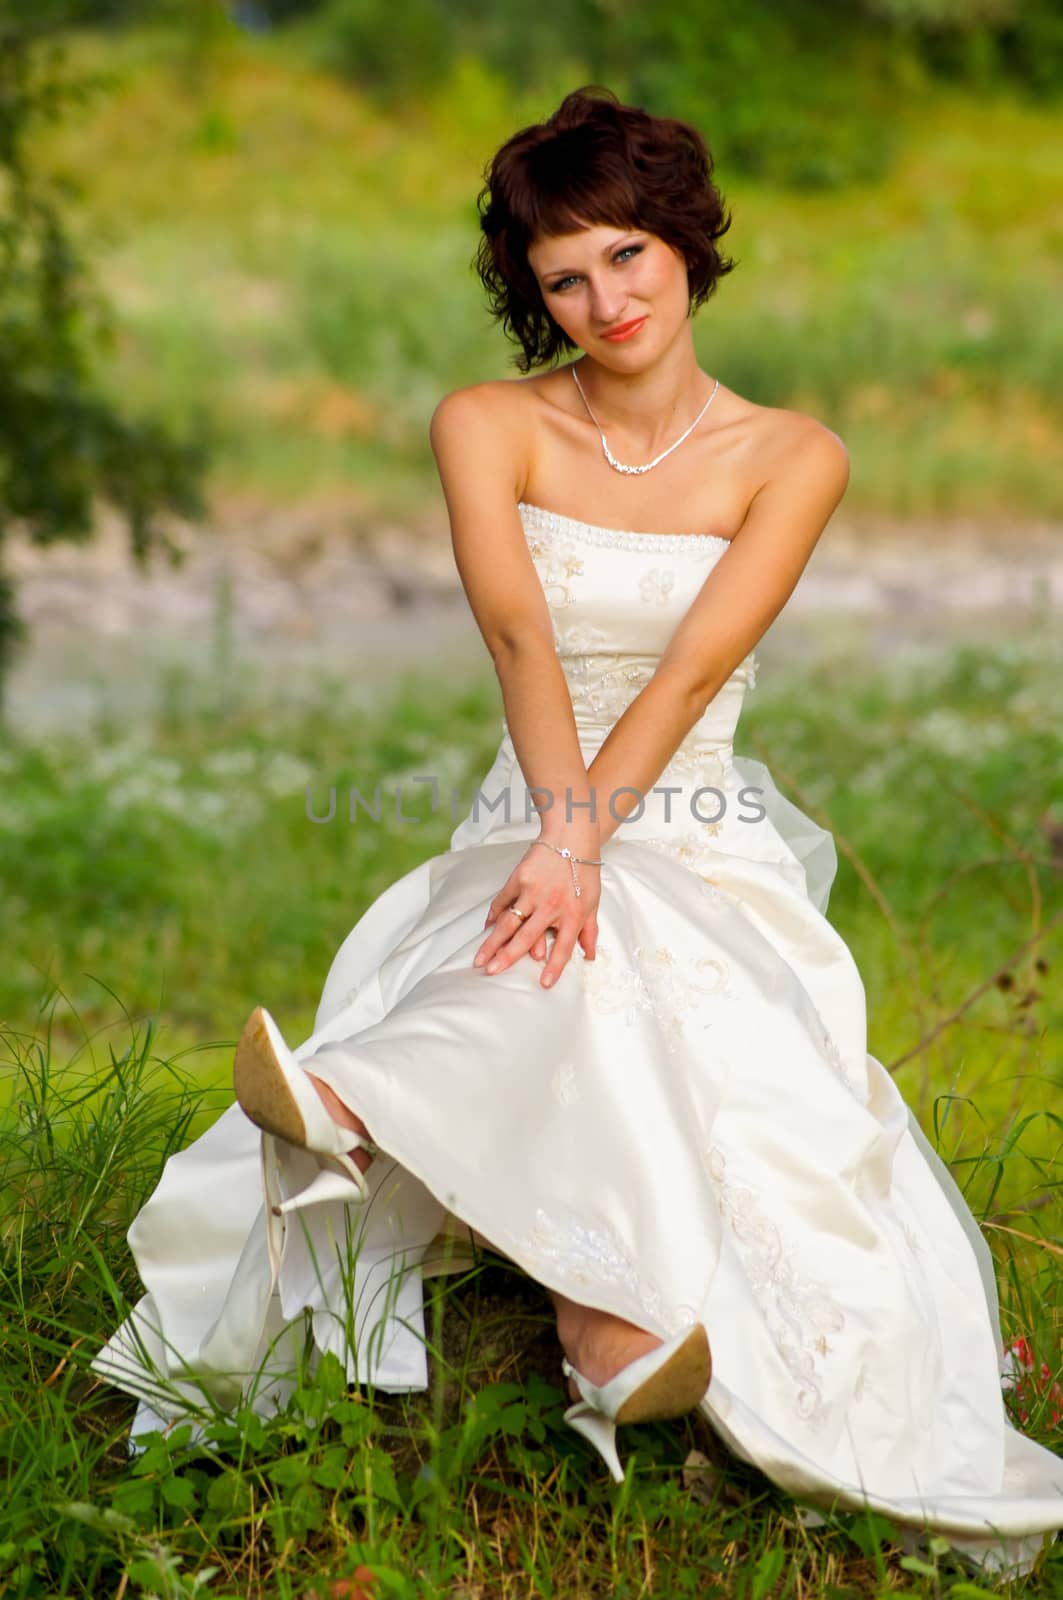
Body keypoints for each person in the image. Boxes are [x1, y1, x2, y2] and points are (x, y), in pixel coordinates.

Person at [93, 86, 1063, 1578]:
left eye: (625, 257)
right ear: (528, 293)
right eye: (562, 277)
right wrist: (560, 837)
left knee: (615, 945)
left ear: (683, 244)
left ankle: (362, 1112)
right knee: (563, 936)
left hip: (696, 816)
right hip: (531, 804)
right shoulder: (488, 425)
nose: (602, 300)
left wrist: (597, 847)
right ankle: (605, 1337)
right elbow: (519, 640)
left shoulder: (791, 454)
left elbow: (688, 669)